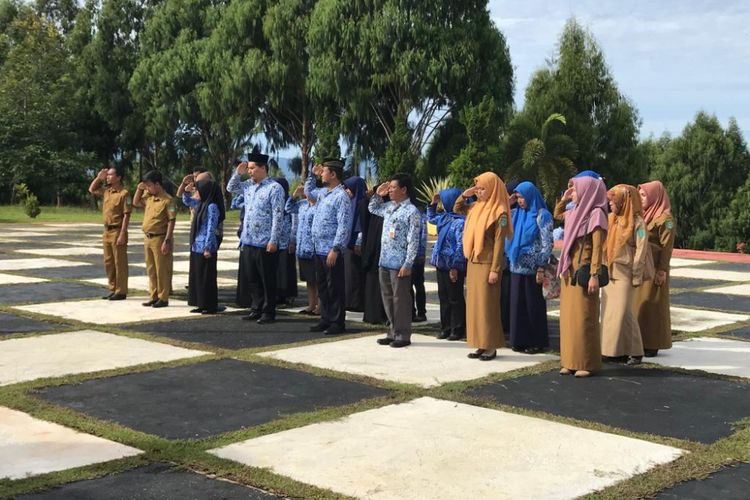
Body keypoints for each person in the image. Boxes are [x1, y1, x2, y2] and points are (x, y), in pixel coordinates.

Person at [455, 172, 513, 361]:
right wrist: (466, 194)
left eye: (482, 188)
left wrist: (495, 269)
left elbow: (499, 243)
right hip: (473, 261)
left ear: (493, 189)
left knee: (487, 307)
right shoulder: (476, 207)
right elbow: (457, 208)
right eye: (477, 188)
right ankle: (479, 343)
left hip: (488, 264)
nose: (479, 192)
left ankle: (491, 346)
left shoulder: (500, 212)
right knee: (475, 306)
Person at [555, 176, 608, 377]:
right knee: (569, 319)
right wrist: (565, 197)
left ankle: (586, 362)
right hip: (569, 271)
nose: (573, 193)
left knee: (584, 318)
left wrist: (595, 274)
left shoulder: (596, 215)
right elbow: (558, 214)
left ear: (588, 191)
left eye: (575, 189)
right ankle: (569, 360)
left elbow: (597, 249)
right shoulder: (575, 211)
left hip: (584, 272)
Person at [227, 153, 285, 324]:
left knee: (267, 279)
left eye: (252, 168)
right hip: (249, 240)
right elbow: (231, 188)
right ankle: (256, 307)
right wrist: (238, 173)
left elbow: (278, 216)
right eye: (249, 168)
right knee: (252, 278)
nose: (250, 171)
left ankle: (269, 311)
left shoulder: (274, 188)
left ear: (262, 168)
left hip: (265, 241)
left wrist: (274, 240)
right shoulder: (249, 186)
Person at [370, 173, 422, 348]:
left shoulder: (412, 211)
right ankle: (392, 331)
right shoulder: (389, 207)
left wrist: (408, 263)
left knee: (401, 300)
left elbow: (413, 239)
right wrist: (378, 194)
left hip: (399, 263)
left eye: (393, 188)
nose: (390, 190)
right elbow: (373, 208)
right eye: (389, 188)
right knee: (388, 298)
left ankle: (403, 334)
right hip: (384, 260)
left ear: (404, 190)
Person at [601, 184, 649, 365]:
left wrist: (637, 274)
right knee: (610, 313)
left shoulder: (638, 223)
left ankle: (636, 351)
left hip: (626, 273)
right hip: (610, 272)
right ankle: (613, 351)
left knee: (624, 312)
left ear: (624, 201)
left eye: (614, 202)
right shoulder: (611, 218)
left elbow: (641, 250)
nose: (610, 205)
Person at [306, 158, 353, 335]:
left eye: (324, 171)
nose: (322, 174)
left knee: (335, 288)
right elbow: (309, 193)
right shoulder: (325, 192)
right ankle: (325, 318)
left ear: (333, 174)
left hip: (331, 250)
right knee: (323, 287)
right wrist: (312, 175)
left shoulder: (341, 196)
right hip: (319, 248)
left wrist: (336, 248)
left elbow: (344, 225)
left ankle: (337, 322)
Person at [506, 181, 553, 354]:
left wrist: (541, 266)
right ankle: (519, 340)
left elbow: (547, 244)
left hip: (533, 269)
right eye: (517, 197)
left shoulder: (542, 215)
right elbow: (502, 225)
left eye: (521, 197)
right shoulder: (515, 214)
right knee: (518, 305)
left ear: (531, 196)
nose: (519, 201)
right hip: (516, 266)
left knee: (533, 306)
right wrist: (507, 203)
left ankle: (537, 341)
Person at [636, 181, 675, 357]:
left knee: (654, 306)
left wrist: (662, 270)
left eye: (644, 195)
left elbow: (667, 247)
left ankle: (653, 343)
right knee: (641, 305)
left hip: (656, 268)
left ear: (654, 196)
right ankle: (641, 340)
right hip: (643, 267)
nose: (641, 198)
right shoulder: (644, 216)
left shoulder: (665, 220)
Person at [427, 187, 467, 341]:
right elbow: (430, 218)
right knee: (443, 296)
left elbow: (460, 246)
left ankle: (458, 328)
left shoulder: (459, 222)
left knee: (454, 297)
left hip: (452, 265)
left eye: (444, 201)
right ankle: (446, 327)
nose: (441, 204)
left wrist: (456, 266)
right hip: (440, 263)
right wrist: (432, 203)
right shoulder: (444, 218)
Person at [133, 170, 176, 308]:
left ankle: (163, 297)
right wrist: (139, 190)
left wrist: (167, 241)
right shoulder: (149, 197)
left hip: (160, 238)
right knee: (151, 269)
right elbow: (135, 202)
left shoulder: (168, 200)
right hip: (148, 238)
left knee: (161, 269)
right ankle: (154, 295)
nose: (148, 188)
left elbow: (171, 221)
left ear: (157, 184)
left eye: (149, 185)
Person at [181, 178, 225, 314]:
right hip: (196, 245)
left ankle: (210, 305)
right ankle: (200, 303)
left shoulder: (212, 206)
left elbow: (211, 228)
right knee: (198, 277)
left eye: (198, 190)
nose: (196, 192)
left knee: (207, 278)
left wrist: (208, 247)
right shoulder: (201, 203)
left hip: (206, 247)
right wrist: (186, 192)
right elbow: (187, 201)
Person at [88, 166, 131, 301]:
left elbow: (126, 215)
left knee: (120, 263)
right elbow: (92, 189)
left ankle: (121, 290)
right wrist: (98, 178)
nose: (108, 177)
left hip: (118, 230)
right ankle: (112, 288)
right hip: (106, 230)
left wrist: (123, 233)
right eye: (107, 175)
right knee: (109, 262)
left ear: (118, 177)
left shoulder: (124, 193)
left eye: (110, 175)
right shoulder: (107, 191)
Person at [357, 187, 388, 324]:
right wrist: (376, 195)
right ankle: (373, 315)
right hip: (373, 251)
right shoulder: (376, 209)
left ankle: (384, 315)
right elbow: (366, 206)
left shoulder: (391, 209)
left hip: (385, 254)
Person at [287, 184, 319, 315]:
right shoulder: (302, 204)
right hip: (302, 247)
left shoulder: (320, 205)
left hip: (314, 248)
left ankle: (320, 307)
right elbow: (288, 208)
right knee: (309, 280)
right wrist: (294, 196)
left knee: (317, 279)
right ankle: (311, 304)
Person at [343, 176, 368, 312]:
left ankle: (357, 302)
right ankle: (349, 301)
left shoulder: (361, 202)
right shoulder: (349, 202)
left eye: (349, 188)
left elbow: (360, 224)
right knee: (349, 273)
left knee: (356, 274)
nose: (347, 191)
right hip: (347, 243)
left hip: (356, 244)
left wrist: (358, 241)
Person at [272, 177, 298, 306]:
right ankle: (277, 294)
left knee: (287, 269)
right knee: (276, 269)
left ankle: (288, 295)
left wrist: (292, 240)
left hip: (287, 242)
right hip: (275, 241)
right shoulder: (274, 201)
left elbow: (294, 223)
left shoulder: (290, 202)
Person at [501, 181, 519, 333]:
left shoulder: (519, 212)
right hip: (504, 258)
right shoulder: (505, 211)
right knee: (504, 295)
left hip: (515, 259)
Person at [411, 208, 428, 322]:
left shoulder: (420, 215)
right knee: (409, 285)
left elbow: (423, 236)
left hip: (417, 256)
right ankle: (411, 311)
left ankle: (421, 312)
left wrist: (421, 253)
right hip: (410, 255)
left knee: (418, 284)